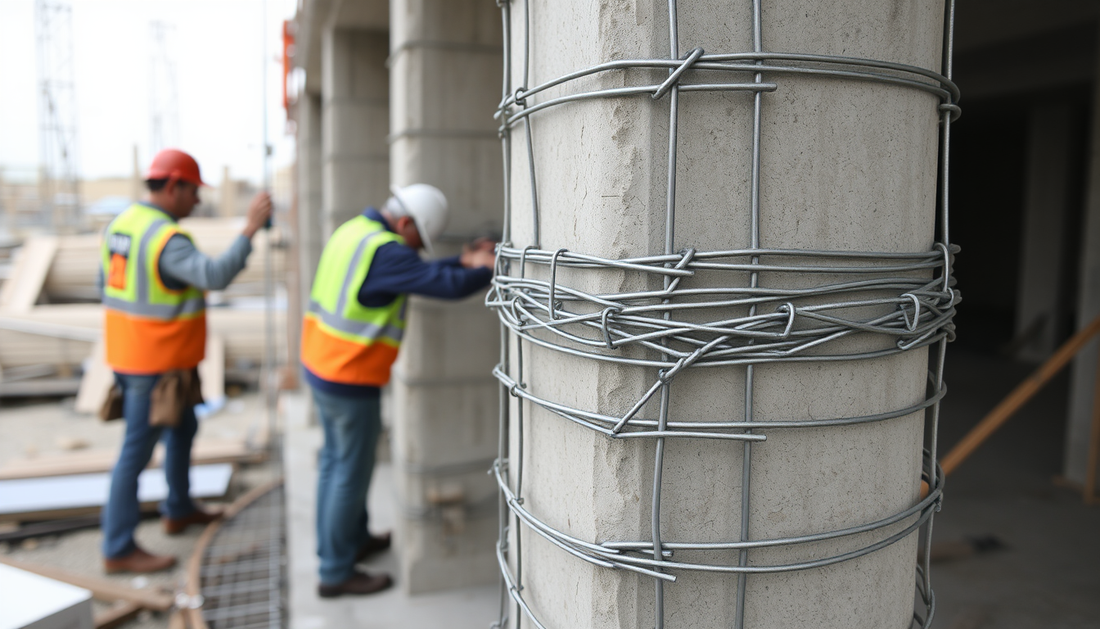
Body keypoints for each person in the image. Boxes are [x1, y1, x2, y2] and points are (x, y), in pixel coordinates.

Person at [301, 184, 495, 597]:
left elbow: (414, 271)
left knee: (337, 467)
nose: (419, 250)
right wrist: (486, 268)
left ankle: (349, 542)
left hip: (323, 366)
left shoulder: (355, 232)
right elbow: (442, 284)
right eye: (419, 241)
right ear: (405, 223)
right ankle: (335, 572)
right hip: (349, 378)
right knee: (348, 475)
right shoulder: (387, 251)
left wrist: (461, 260)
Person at [99, 148, 273, 574]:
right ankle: (118, 548)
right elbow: (213, 276)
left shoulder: (122, 225)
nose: (197, 200)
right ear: (173, 186)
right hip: (155, 365)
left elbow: (104, 284)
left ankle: (178, 508)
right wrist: (250, 229)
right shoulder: (166, 239)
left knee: (182, 428)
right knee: (136, 454)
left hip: (134, 354)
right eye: (193, 191)